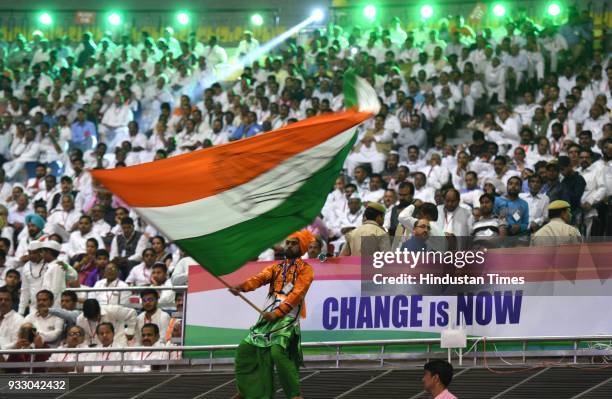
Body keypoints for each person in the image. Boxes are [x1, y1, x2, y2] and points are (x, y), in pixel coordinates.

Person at [230, 230, 315, 399]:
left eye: (293, 243)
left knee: (277, 353)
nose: (289, 245)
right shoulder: (276, 267)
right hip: (268, 317)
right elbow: (260, 278)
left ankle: (294, 395)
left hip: (287, 319)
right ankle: (248, 390)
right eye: (288, 242)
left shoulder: (306, 270)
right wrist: (241, 287)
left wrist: (277, 313)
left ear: (302, 247)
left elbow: (297, 293)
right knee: (245, 351)